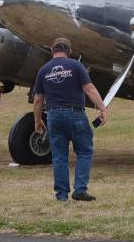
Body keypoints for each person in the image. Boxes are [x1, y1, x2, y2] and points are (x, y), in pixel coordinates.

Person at [32, 37, 108, 201]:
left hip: (53, 116)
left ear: (52, 50)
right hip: (75, 114)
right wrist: (102, 108)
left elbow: (38, 99)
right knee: (84, 151)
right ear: (69, 51)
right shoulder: (76, 65)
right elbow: (89, 88)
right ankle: (80, 189)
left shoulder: (43, 70)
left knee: (59, 156)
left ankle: (61, 195)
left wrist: (37, 120)